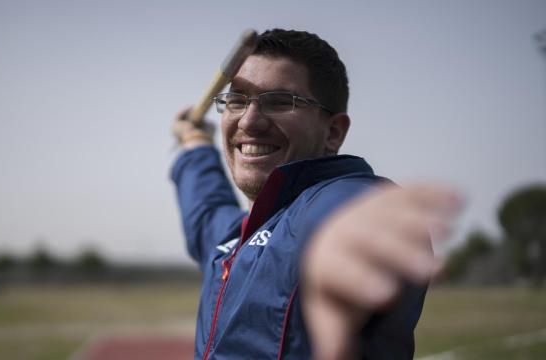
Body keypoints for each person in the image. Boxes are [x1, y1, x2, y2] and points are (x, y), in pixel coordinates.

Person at [170, 29, 460, 359]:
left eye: (280, 102)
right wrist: (193, 144)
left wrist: (344, 231)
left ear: (333, 132)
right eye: (237, 100)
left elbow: (344, 209)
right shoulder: (233, 239)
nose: (250, 121)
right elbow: (206, 208)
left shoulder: (333, 202)